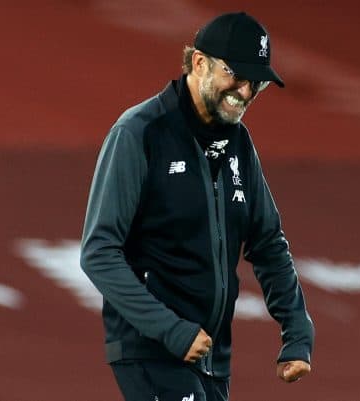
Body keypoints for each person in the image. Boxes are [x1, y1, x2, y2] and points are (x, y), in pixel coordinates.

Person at [80, 11, 314, 401]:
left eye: (256, 82)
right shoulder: (140, 132)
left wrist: (297, 330)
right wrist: (170, 329)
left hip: (211, 357)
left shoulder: (238, 142)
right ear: (200, 63)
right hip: (152, 350)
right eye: (235, 75)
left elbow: (268, 242)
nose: (245, 91)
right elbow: (99, 252)